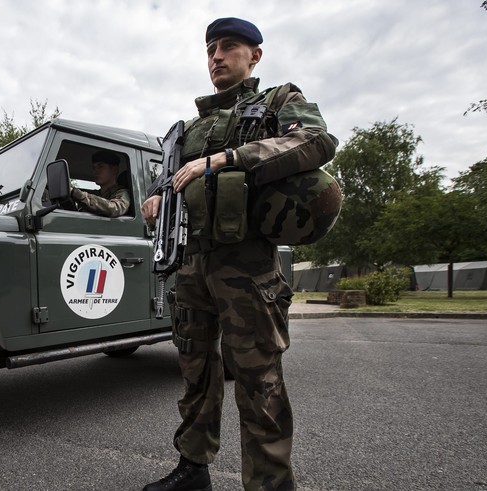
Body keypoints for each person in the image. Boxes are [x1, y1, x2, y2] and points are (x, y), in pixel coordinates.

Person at [141, 17, 338, 491]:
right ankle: (193, 469)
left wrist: (228, 158)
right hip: (192, 263)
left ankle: (269, 484)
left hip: (248, 265)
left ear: (255, 56)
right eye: (210, 48)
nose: (216, 56)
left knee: (258, 381)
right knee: (195, 371)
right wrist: (155, 199)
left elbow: (316, 141)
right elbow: (170, 184)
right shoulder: (186, 129)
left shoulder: (277, 101)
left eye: (229, 46)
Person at [70, 150, 131, 217]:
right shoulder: (95, 194)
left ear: (114, 170)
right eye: (94, 168)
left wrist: (78, 195)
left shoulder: (122, 193)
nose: (95, 171)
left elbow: (115, 208)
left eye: (100, 166)